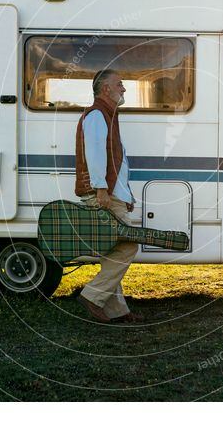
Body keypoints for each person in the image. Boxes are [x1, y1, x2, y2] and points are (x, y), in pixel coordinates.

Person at [74, 69, 144, 323]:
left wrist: (125, 195)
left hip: (112, 194)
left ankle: (116, 311)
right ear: (106, 89)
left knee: (113, 252)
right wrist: (101, 189)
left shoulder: (108, 115)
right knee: (128, 246)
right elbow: (94, 154)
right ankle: (93, 296)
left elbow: (117, 163)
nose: (124, 89)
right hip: (103, 195)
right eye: (120, 84)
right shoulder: (96, 115)